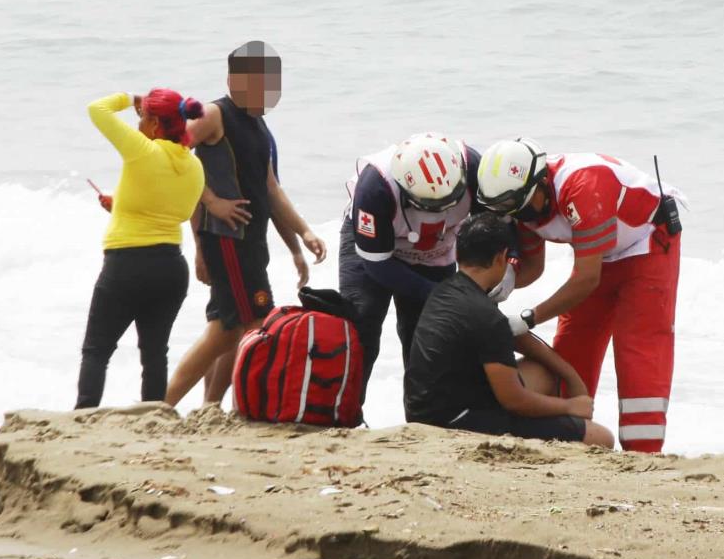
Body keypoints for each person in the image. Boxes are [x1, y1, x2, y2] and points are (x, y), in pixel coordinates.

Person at [476, 139, 682, 453]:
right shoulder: (522, 203)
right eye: (505, 209)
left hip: (648, 244)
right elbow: (533, 266)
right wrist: (506, 280)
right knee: (573, 343)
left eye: (516, 206)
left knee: (638, 347)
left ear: (540, 184)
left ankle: (643, 451)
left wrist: (530, 318)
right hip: (599, 255)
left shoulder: (585, 187)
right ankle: (569, 437)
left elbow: (587, 279)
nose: (514, 216)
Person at [165, 41, 326, 407]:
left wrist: (302, 234)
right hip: (227, 239)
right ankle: (171, 403)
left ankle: (207, 406)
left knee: (230, 326)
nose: (266, 91)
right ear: (234, 79)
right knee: (244, 326)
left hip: (250, 242)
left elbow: (270, 188)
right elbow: (171, 158)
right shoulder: (213, 114)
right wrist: (211, 203)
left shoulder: (258, 125)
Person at [404, 214, 614, 447]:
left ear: (458, 253)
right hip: (453, 423)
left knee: (542, 372)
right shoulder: (485, 315)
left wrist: (568, 374)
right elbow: (514, 400)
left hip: (421, 412)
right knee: (602, 438)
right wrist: (570, 407)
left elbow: (510, 334)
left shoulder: (445, 291)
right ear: (501, 258)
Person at [76, 90, 205, 409]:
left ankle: (83, 414)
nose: (137, 125)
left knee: (97, 350)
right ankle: (154, 417)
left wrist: (128, 98)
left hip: (127, 266)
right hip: (171, 268)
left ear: (155, 124)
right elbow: (175, 212)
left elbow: (97, 109)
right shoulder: (194, 165)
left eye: (141, 117)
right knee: (154, 353)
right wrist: (120, 207)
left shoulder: (142, 151)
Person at [339, 132, 482, 393]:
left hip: (437, 244)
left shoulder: (473, 167)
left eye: (449, 201)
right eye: (431, 205)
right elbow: (377, 264)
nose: (440, 210)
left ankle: (424, 416)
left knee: (429, 332)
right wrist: (438, 293)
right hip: (377, 245)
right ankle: (345, 412)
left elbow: (489, 232)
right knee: (363, 320)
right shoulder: (375, 187)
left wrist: (504, 272)